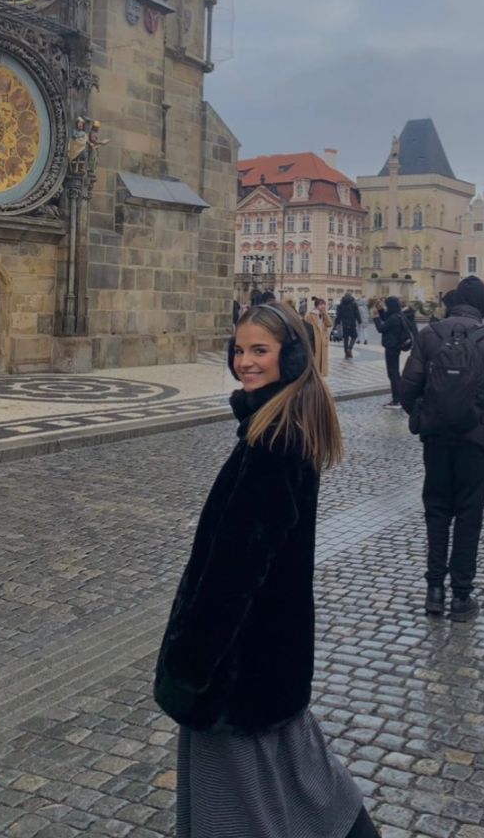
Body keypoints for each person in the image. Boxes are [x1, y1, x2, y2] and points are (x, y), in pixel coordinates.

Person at [154, 304, 381, 838]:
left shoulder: (272, 443)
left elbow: (235, 569)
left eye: (260, 350)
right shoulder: (286, 422)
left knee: (232, 808)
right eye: (239, 350)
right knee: (301, 776)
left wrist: (192, 668)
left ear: (292, 356)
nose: (245, 361)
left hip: (236, 666)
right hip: (273, 655)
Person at [400, 276, 484, 621]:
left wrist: (424, 417)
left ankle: (434, 591)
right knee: (469, 517)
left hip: (435, 440)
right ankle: (461, 596)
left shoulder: (429, 336)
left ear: (452, 303)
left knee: (436, 512)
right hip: (473, 442)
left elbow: (408, 390)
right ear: (482, 305)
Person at [374, 296, 409, 408]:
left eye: (386, 304)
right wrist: (380, 310)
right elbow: (386, 318)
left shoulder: (394, 318)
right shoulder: (398, 315)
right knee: (395, 373)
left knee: (392, 373)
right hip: (395, 347)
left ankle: (396, 400)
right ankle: (399, 397)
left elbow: (381, 328)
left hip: (391, 348)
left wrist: (375, 317)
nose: (386, 306)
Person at [305, 297, 333, 377]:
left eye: (324, 304)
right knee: (315, 360)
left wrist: (325, 314)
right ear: (317, 306)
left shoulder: (323, 315)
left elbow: (330, 324)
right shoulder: (310, 315)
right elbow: (307, 328)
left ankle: (320, 375)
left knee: (322, 361)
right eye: (321, 305)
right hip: (315, 341)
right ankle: (314, 375)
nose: (323, 306)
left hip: (322, 342)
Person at [336, 292, 362, 359]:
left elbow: (339, 314)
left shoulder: (341, 304)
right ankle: (350, 349)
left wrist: (337, 322)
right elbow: (357, 313)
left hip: (344, 324)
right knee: (354, 336)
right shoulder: (354, 303)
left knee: (346, 338)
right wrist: (359, 321)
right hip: (352, 323)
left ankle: (346, 353)